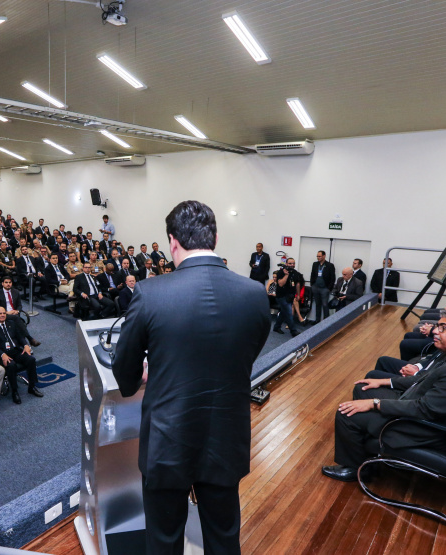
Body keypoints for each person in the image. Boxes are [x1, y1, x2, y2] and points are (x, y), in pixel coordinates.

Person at [112, 200, 271, 555]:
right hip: (225, 440)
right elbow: (248, 354)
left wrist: (152, 370)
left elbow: (124, 373)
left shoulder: (150, 293)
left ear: (172, 242)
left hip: (168, 442)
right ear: (214, 237)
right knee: (224, 537)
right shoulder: (255, 294)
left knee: (165, 540)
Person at [322, 308, 446, 482]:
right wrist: (383, 382)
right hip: (419, 405)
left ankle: (356, 469)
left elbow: (425, 409)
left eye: (443, 328)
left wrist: (375, 403)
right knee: (363, 389)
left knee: (346, 414)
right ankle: (366, 447)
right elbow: (422, 380)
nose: (435, 331)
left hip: (424, 428)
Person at [0, 306, 42, 405]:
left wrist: (25, 345)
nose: (3, 315)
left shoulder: (11, 323)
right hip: (4, 354)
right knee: (11, 365)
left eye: (4, 313)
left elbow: (20, 336)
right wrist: (2, 354)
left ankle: (32, 387)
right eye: (0, 313)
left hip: (16, 351)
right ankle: (15, 391)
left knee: (31, 360)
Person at [272, 258, 303, 337]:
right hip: (281, 296)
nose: (292, 265)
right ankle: (293, 331)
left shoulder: (296, 273)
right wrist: (286, 275)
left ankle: (276, 327)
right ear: (286, 264)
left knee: (283, 312)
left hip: (290, 296)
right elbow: (281, 284)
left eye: (293, 263)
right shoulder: (281, 272)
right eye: (290, 263)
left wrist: (298, 295)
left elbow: (297, 284)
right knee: (289, 312)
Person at [309, 250, 336, 323]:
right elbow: (312, 275)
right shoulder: (315, 264)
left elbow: (332, 278)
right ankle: (317, 320)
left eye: (320, 256)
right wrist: (312, 285)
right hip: (316, 287)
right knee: (317, 304)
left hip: (325, 288)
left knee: (325, 304)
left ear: (324, 256)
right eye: (317, 256)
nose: (318, 257)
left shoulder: (330, 265)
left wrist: (329, 288)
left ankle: (326, 321)